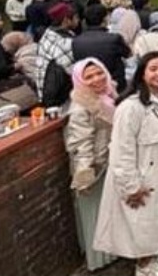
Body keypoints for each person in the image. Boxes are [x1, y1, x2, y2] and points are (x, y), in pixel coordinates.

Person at [93, 52, 158, 276]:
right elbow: (121, 149)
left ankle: (153, 252)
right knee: (140, 221)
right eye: (153, 69)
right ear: (142, 73)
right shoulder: (130, 108)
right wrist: (130, 185)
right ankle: (144, 266)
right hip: (141, 173)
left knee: (155, 218)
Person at [64, 58, 118, 272]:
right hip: (94, 166)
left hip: (107, 160)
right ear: (79, 80)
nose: (96, 79)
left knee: (107, 210)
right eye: (88, 77)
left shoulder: (108, 95)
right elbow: (80, 143)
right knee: (95, 212)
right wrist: (84, 174)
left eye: (99, 73)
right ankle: (99, 259)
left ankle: (112, 251)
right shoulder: (80, 106)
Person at [72, 3, 132, 93]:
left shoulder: (76, 41)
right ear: (105, 19)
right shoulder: (114, 38)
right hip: (114, 85)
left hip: (89, 84)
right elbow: (128, 54)